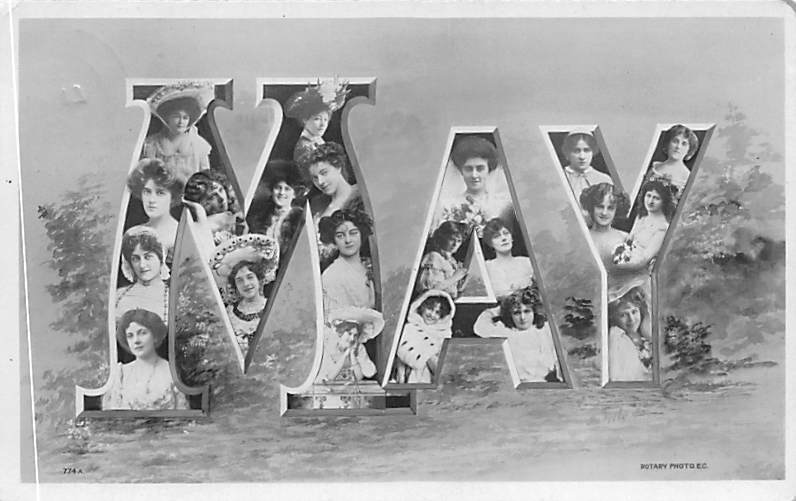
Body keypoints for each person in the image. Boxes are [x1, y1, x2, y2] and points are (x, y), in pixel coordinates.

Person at [580, 182, 654, 302]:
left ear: (617, 209)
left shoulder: (626, 239)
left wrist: (619, 293)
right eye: (600, 206)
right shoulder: (583, 238)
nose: (604, 212)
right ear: (591, 207)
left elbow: (641, 276)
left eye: (610, 208)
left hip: (620, 303)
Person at [103, 309, 188, 410]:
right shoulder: (121, 373)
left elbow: (183, 412)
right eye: (130, 336)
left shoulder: (171, 372)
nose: (136, 340)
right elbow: (110, 412)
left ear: (155, 336)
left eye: (142, 333)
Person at [474, 284, 561, 383]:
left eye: (527, 311)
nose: (522, 318)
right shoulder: (505, 332)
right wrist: (503, 307)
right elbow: (480, 327)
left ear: (535, 311)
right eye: (517, 313)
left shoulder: (545, 330)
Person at [210, 234, 280, 354]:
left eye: (250, 277)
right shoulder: (229, 314)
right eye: (239, 280)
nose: (246, 284)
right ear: (235, 285)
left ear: (259, 279)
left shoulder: (273, 307)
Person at [437, 135, 512, 237]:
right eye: (468, 169)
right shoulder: (448, 205)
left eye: (480, 168)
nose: (474, 175)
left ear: (489, 169)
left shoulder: (503, 206)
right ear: (461, 171)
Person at [142, 81, 215, 183]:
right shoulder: (152, 144)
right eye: (176, 116)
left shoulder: (199, 145)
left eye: (185, 118)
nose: (181, 122)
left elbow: (206, 179)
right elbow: (147, 178)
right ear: (167, 118)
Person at [126, 158, 185, 264]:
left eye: (160, 193)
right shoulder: (132, 234)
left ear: (172, 197)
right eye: (147, 192)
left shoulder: (181, 234)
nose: (151, 200)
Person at [318, 209, 375, 315]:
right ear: (334, 239)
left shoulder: (370, 265)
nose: (348, 240)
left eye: (353, 233)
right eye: (340, 236)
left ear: (362, 234)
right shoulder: (331, 276)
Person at [284, 78, 350, 168]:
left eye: (325, 120)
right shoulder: (304, 147)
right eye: (317, 119)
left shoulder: (319, 141)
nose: (323, 124)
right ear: (305, 120)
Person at [182, 169, 246, 260]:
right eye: (212, 197)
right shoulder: (197, 228)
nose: (221, 198)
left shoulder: (236, 216)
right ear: (200, 204)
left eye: (221, 190)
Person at [247, 160, 306, 258]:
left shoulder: (298, 219)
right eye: (278, 188)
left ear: (294, 194)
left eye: (287, 189)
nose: (282, 193)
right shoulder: (261, 217)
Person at [394, 290, 455, 384]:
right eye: (430, 309)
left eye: (438, 313)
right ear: (421, 306)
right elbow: (401, 352)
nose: (432, 315)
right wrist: (428, 355)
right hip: (410, 377)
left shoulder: (443, 334)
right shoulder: (410, 328)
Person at [116, 226, 170, 324]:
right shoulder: (118, 296)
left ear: (160, 258)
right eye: (136, 259)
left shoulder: (173, 297)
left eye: (148, 257)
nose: (142, 265)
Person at [315, 306, 384, 383]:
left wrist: (353, 356)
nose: (352, 338)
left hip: (349, 388)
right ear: (341, 332)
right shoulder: (329, 345)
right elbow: (329, 377)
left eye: (355, 335)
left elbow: (363, 376)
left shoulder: (358, 348)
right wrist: (344, 355)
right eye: (349, 333)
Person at [306, 142, 362, 220]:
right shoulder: (317, 206)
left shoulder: (361, 195)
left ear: (338, 167)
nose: (320, 182)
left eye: (324, 173)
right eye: (315, 178)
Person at [608, 287, 652, 381]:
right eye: (623, 315)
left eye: (634, 312)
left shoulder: (644, 337)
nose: (631, 319)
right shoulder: (617, 339)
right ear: (613, 318)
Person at [481, 218, 534, 298]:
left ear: (511, 238)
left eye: (506, 233)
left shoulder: (527, 263)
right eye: (497, 236)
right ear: (490, 243)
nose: (503, 238)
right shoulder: (486, 268)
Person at [416, 221, 468, 299]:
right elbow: (428, 289)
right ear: (442, 238)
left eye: (459, 241)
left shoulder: (452, 262)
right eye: (452, 239)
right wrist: (455, 277)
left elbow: (451, 292)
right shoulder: (432, 257)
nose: (455, 244)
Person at [646, 124, 699, 201]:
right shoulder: (655, 168)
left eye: (684, 144)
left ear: (689, 150)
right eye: (675, 141)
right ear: (668, 144)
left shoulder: (687, 177)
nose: (678, 147)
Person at [560, 129, 613, 204]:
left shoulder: (604, 179)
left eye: (586, 150)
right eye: (576, 151)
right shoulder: (559, 177)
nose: (582, 156)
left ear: (593, 151)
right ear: (568, 152)